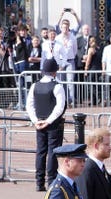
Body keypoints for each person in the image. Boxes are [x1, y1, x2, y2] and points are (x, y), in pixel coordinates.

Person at [26, 58, 66, 192]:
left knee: (41, 152)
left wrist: (35, 121)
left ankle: (39, 182)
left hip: (39, 123)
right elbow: (60, 107)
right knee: (53, 152)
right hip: (53, 124)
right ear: (55, 71)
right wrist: (48, 121)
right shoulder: (57, 86)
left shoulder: (35, 85)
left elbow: (29, 105)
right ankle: (51, 181)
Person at [55, 19, 77, 106]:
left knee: (70, 80)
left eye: (66, 27)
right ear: (61, 28)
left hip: (70, 61)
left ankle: (71, 101)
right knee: (61, 81)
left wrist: (70, 56)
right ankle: (63, 100)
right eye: (63, 27)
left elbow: (74, 50)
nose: (65, 29)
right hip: (60, 61)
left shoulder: (73, 37)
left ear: (69, 28)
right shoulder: (57, 38)